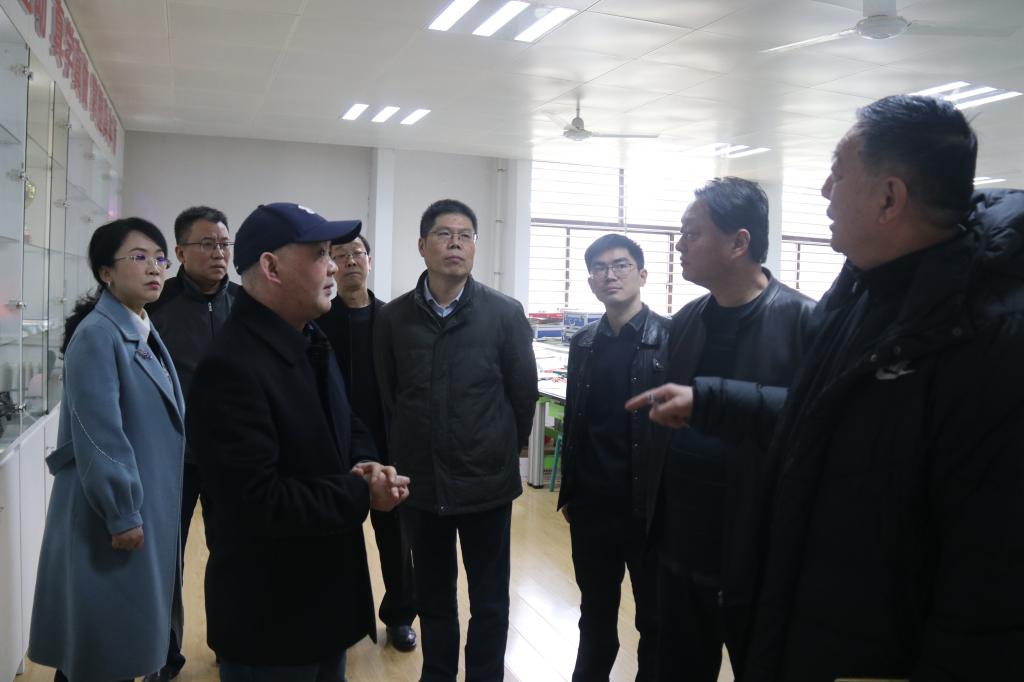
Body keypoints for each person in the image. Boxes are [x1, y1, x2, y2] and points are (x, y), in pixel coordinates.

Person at [630, 95, 1024, 681]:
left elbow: (989, 576)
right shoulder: (864, 293)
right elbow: (821, 418)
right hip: (803, 605)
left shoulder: (991, 342)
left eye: (838, 174)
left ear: (889, 197)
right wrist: (709, 401)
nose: (823, 191)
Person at [186, 203, 410, 682]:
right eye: (321, 254)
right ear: (271, 267)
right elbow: (257, 500)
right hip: (273, 620)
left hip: (324, 607)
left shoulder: (308, 338)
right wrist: (359, 492)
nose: (334, 267)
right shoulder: (231, 367)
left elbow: (344, 423)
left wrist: (366, 462)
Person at [643, 178, 813, 681]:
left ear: (739, 242)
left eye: (691, 233)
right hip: (680, 543)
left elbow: (812, 424)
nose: (679, 244)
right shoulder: (687, 320)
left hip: (757, 553)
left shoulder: (804, 322)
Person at [374, 198, 538, 682]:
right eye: (444, 234)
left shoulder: (504, 314)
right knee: (434, 597)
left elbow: (522, 393)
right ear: (422, 245)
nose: (455, 244)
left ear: (474, 247)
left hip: (486, 481)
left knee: (490, 600)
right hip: (422, 483)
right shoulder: (394, 318)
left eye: (465, 235)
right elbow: (390, 395)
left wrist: (501, 449)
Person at [28, 218, 185, 682]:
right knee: (98, 650)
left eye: (160, 258)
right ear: (106, 273)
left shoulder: (137, 325)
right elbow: (100, 435)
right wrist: (122, 512)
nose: (154, 267)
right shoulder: (99, 334)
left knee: (111, 644)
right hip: (110, 514)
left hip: (139, 506)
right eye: (139, 257)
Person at [555, 234, 668, 682]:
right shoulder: (584, 343)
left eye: (621, 265)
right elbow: (576, 423)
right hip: (591, 507)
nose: (610, 275)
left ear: (642, 274)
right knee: (595, 612)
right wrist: (570, 494)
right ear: (590, 282)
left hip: (650, 510)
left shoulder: (671, 338)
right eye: (600, 268)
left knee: (654, 618)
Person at [148, 205, 240, 680]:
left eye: (224, 244)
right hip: (172, 458)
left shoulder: (246, 305)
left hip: (233, 457)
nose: (219, 253)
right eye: (207, 244)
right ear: (180, 252)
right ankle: (164, 655)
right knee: (168, 559)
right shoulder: (155, 306)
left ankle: (231, 644)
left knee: (233, 554)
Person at [317, 233, 418, 652]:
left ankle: (400, 617)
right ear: (331, 266)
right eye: (339, 255)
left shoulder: (391, 319)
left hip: (389, 443)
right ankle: (339, 620)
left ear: (369, 261)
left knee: (396, 538)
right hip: (335, 446)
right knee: (336, 538)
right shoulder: (319, 320)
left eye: (356, 253)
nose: (349, 261)